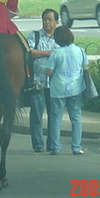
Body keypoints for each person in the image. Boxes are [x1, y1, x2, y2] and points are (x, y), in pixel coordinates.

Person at [45, 26, 88, 156]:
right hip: (76, 88)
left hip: (58, 89)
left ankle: (56, 147)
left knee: (56, 118)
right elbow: (85, 66)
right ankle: (76, 147)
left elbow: (49, 71)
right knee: (76, 118)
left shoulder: (56, 53)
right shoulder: (80, 50)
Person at [27, 9, 60, 153]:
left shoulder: (61, 38)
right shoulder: (35, 36)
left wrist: (42, 55)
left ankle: (53, 144)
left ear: (56, 22)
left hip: (55, 84)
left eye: (50, 20)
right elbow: (29, 52)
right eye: (45, 19)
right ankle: (38, 144)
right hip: (37, 82)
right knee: (36, 114)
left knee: (54, 116)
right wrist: (48, 53)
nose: (47, 22)